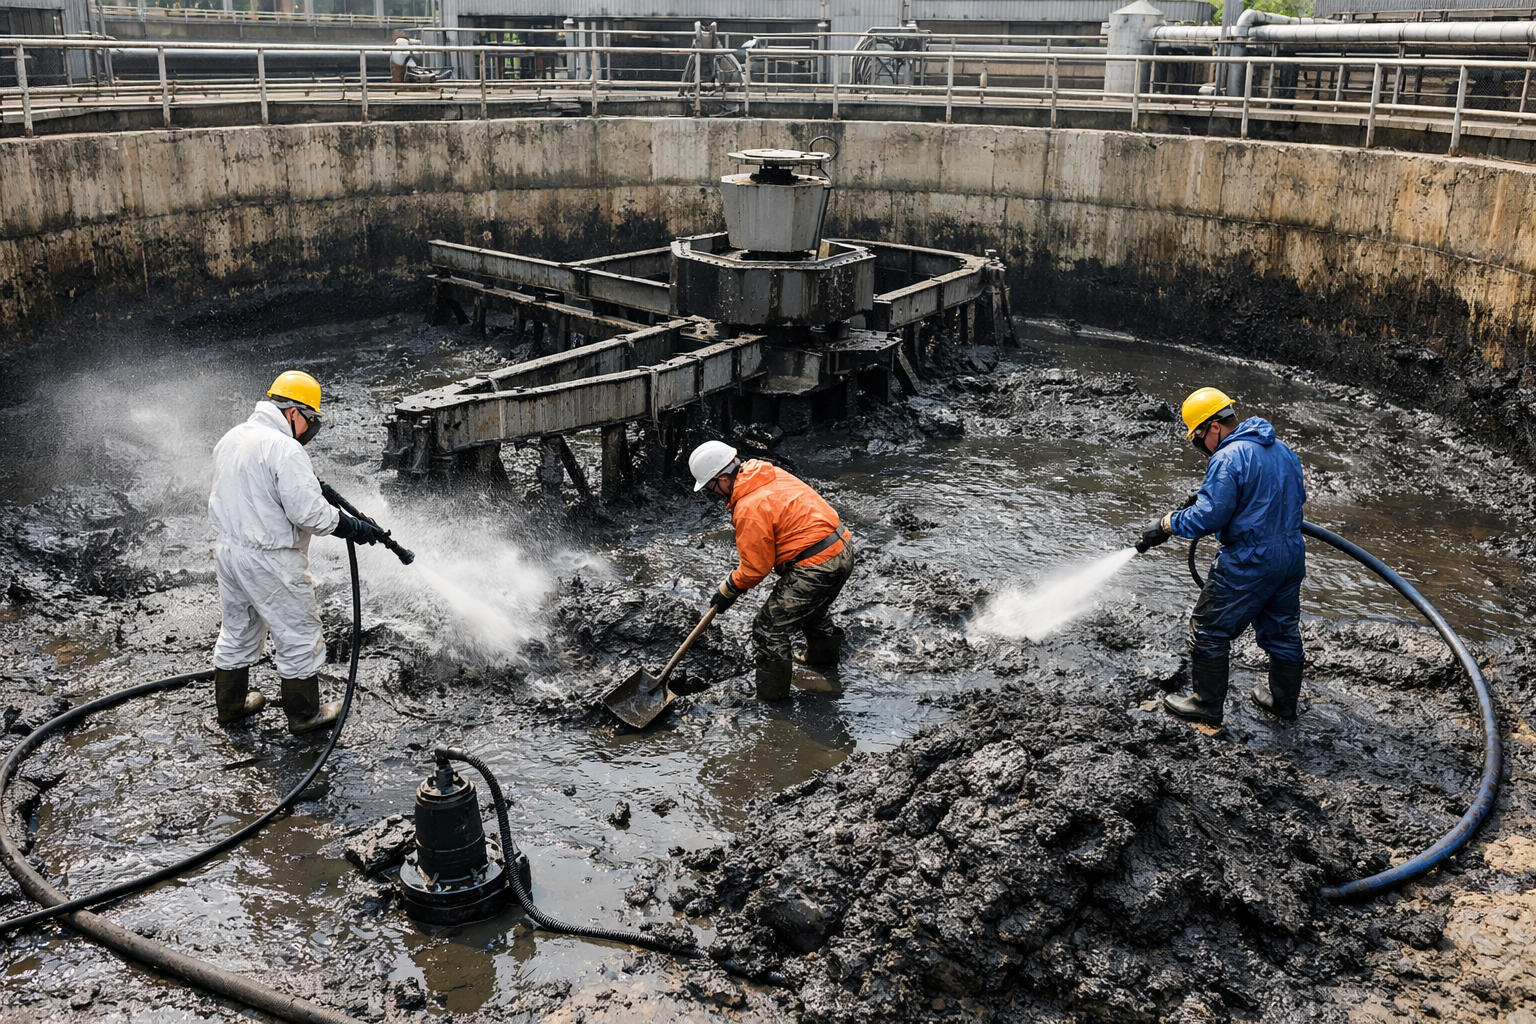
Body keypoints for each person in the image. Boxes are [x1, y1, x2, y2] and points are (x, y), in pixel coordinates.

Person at [208, 371, 382, 732]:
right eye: (310, 419)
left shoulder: (231, 437)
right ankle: (304, 715)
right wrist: (351, 526)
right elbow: (309, 513)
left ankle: (230, 706)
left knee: (238, 627)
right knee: (298, 632)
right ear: (293, 413)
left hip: (229, 552)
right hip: (271, 558)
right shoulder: (285, 449)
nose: (310, 429)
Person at [1136, 387, 1308, 725]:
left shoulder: (1228, 457)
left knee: (1208, 629)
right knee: (1282, 631)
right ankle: (1283, 704)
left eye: (1198, 436)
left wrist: (1167, 523)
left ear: (1213, 427)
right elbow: (1295, 497)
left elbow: (1208, 518)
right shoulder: (1283, 450)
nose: (1200, 445)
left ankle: (1206, 705)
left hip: (1250, 559)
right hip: (1291, 554)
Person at [689, 440, 855, 700]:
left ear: (723, 479)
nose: (714, 495)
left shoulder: (749, 507)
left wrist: (727, 590)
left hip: (816, 567)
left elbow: (756, 569)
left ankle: (772, 701)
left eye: (711, 488)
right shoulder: (766, 472)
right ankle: (823, 664)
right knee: (814, 611)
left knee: (768, 628)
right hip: (842, 548)